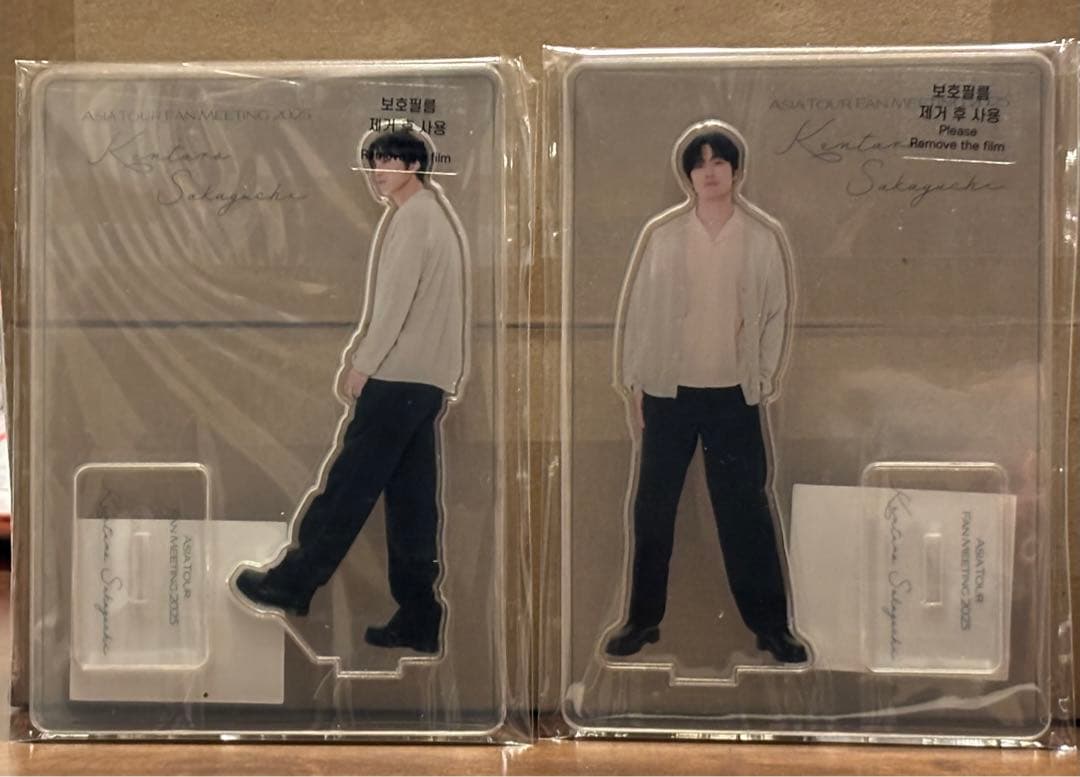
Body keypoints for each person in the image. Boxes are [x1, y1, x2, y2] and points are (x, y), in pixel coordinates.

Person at [235, 128, 466, 655]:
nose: (378, 172)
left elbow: (394, 306)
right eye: (374, 162)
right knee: (411, 503)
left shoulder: (414, 221)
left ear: (413, 166)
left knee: (348, 487)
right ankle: (420, 614)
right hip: (426, 381)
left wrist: (362, 364)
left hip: (398, 378)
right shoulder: (431, 216)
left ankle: (294, 582)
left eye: (389, 162)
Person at [607, 126, 808, 664]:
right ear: (689, 176)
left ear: (736, 170)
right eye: (699, 164)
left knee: (746, 513)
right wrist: (635, 383)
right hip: (668, 394)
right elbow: (642, 312)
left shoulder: (760, 238)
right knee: (653, 510)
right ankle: (641, 621)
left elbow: (775, 313)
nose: (710, 171)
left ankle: (772, 627)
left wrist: (763, 377)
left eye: (719, 161)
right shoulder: (665, 237)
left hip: (734, 397)